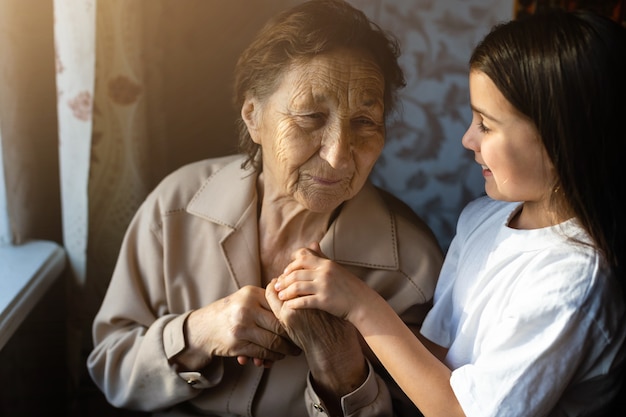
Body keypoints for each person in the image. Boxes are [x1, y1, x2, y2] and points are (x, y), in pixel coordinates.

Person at [87, 1, 443, 416]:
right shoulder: (177, 206)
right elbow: (110, 367)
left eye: (365, 122)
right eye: (311, 117)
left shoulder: (414, 269)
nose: (339, 157)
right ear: (253, 116)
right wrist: (196, 333)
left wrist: (341, 371)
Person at [269, 8, 626, 417]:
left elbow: (461, 411)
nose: (467, 139)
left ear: (563, 140)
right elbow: (438, 360)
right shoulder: (483, 219)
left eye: (486, 126)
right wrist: (325, 320)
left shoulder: (573, 282)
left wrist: (360, 305)